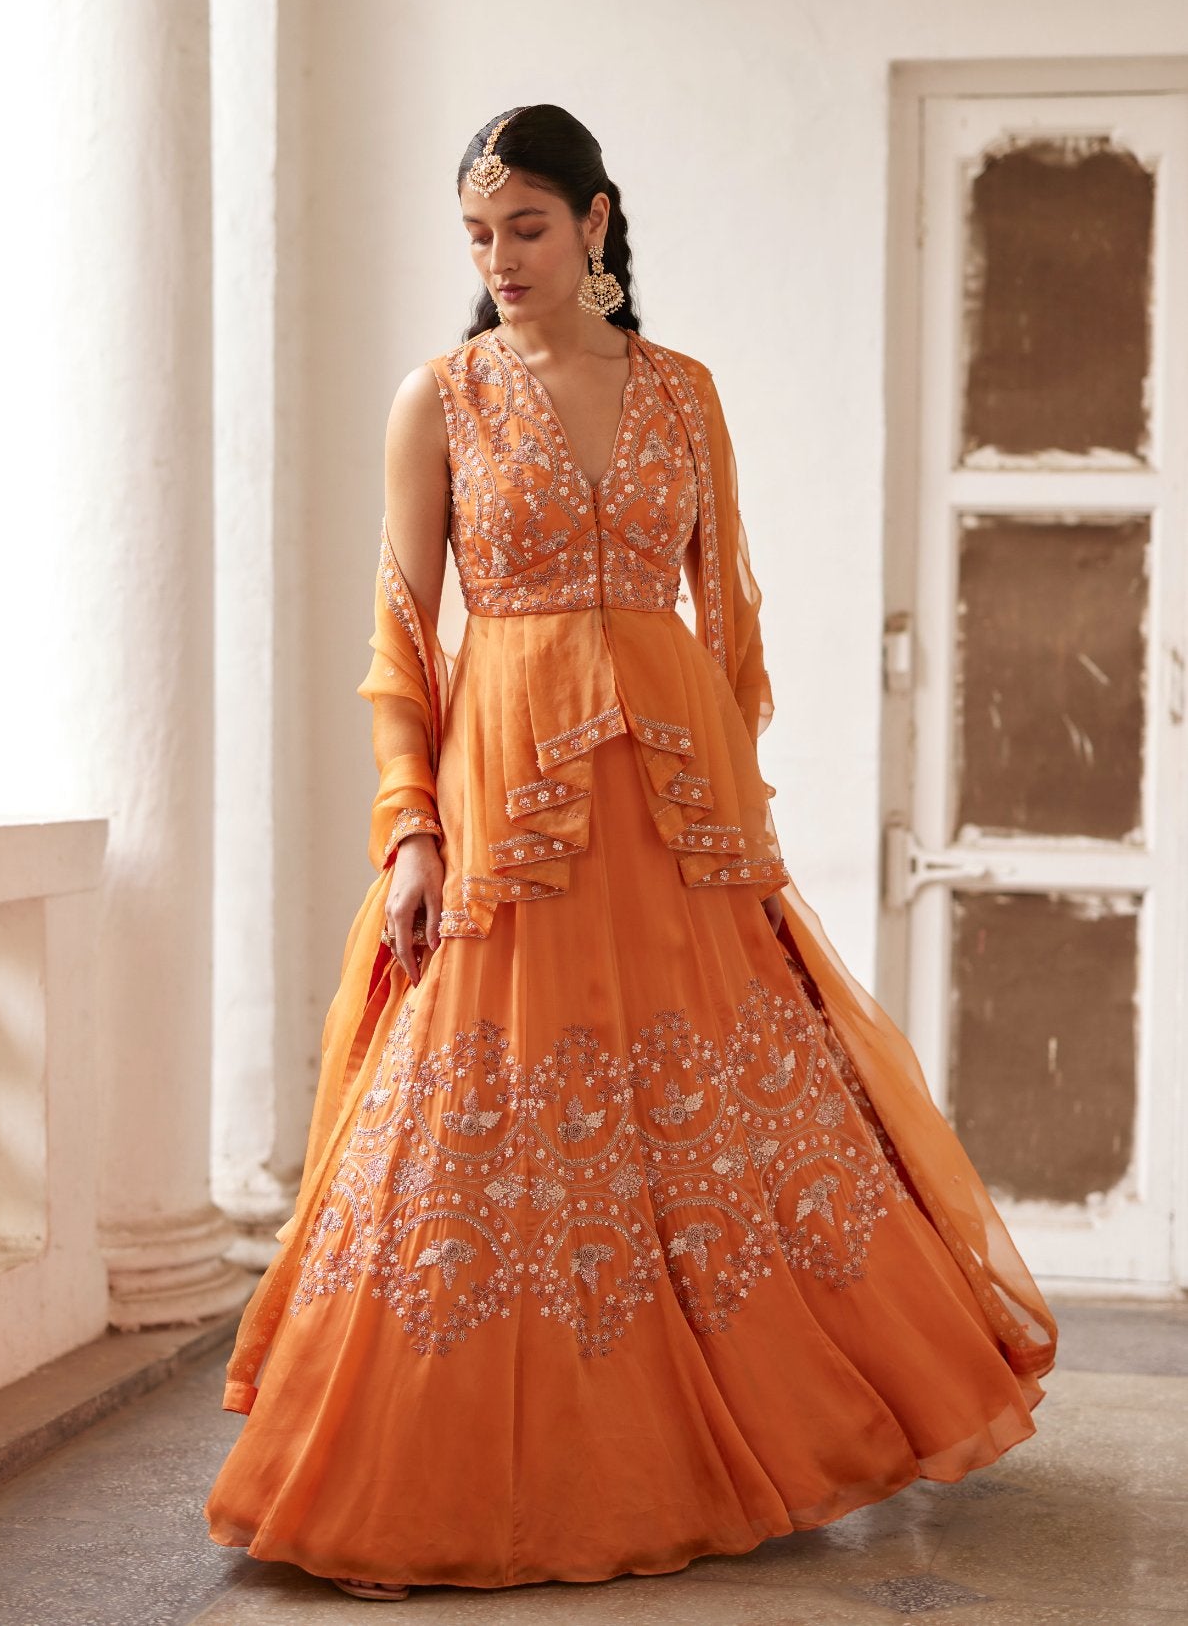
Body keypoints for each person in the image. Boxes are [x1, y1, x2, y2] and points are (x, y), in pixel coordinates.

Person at [203, 104, 1057, 1602]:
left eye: (526, 227)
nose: (500, 259)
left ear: (596, 222)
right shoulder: (443, 400)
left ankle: (764, 1428)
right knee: (489, 1123)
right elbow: (404, 635)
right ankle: (469, 1460)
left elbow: (728, 627)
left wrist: (732, 814)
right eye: (478, 236)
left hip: (676, 810)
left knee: (711, 1113)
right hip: (509, 806)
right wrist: (411, 827)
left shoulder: (684, 395)